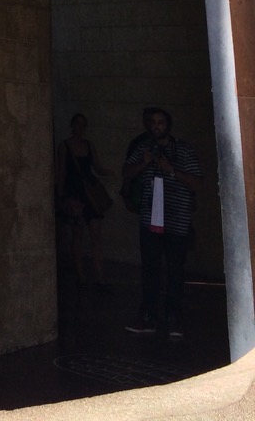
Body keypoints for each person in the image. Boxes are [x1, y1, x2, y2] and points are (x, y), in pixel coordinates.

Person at [122, 107, 202, 339]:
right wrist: (143, 163)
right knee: (150, 269)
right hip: (150, 221)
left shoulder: (184, 150)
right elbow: (126, 172)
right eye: (153, 122)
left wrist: (172, 170)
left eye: (161, 122)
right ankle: (148, 316)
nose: (156, 126)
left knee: (175, 270)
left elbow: (198, 182)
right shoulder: (143, 148)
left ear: (168, 125)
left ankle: (174, 317)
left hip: (176, 220)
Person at [56, 113, 112, 286]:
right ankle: (81, 275)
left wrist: (110, 172)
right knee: (78, 234)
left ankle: (99, 276)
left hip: (88, 193)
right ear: (72, 126)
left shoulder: (88, 145)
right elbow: (62, 172)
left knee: (96, 233)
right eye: (77, 124)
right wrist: (61, 195)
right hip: (74, 193)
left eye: (82, 125)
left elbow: (97, 166)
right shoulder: (65, 146)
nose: (79, 128)